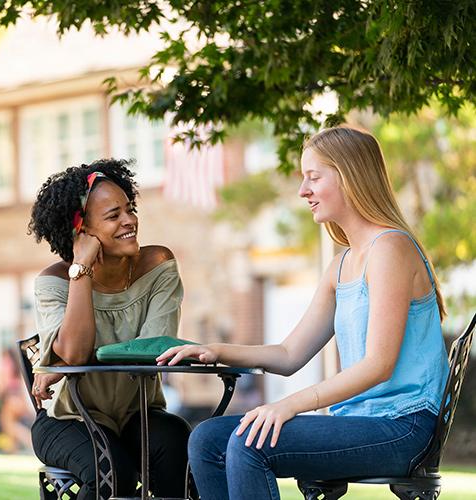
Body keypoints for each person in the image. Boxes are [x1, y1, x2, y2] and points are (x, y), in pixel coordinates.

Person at [156, 126, 450, 500]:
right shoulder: (342, 265)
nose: (303, 190)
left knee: (249, 443)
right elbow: (290, 354)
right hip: (360, 422)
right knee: (207, 440)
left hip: (402, 426)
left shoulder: (390, 249)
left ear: (350, 177)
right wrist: (217, 350)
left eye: (314, 177)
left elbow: (379, 364)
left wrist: (289, 404)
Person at [28, 159, 191, 499]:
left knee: (179, 443)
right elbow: (74, 352)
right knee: (111, 470)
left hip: (138, 415)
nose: (130, 221)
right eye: (114, 216)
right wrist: (81, 269)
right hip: (69, 419)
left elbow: (152, 349)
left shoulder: (158, 265)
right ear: (81, 232)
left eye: (129, 209)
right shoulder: (52, 282)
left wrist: (59, 365)